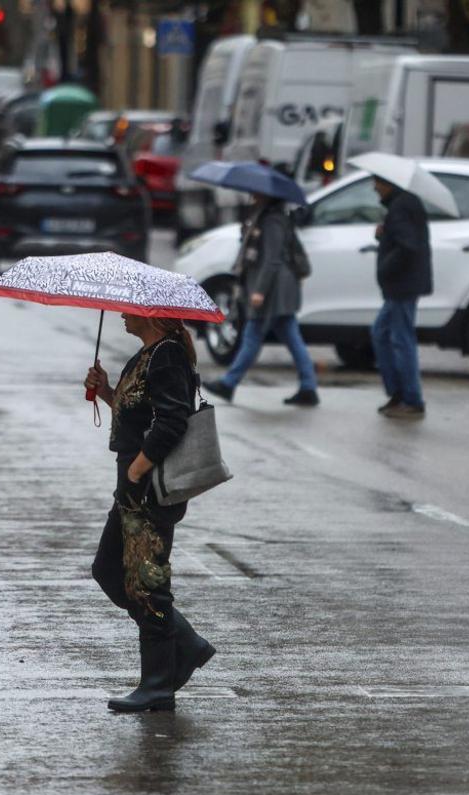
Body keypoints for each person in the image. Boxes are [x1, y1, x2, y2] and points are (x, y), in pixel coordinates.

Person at [84, 316, 215, 712]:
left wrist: (139, 469)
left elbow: (173, 421)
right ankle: (187, 644)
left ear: (151, 316)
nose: (122, 313)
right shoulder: (148, 354)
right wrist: (107, 391)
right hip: (132, 485)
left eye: (130, 309)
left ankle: (158, 685)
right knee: (108, 570)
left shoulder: (168, 356)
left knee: (147, 583)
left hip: (150, 488)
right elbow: (139, 415)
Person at [203, 192, 319, 406]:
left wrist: (259, 291)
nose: (251, 195)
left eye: (255, 193)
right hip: (278, 287)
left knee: (253, 334)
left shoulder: (272, 220)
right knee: (290, 336)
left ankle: (229, 383)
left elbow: (272, 259)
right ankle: (308, 386)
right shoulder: (265, 217)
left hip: (274, 289)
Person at [371, 176, 431, 419]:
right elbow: (404, 239)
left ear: (389, 183)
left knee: (401, 339)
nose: (374, 187)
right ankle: (398, 393)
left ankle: (411, 398)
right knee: (381, 333)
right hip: (403, 285)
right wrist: (384, 235)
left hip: (402, 285)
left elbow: (409, 245)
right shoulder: (403, 204)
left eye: (377, 182)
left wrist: (385, 267)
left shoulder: (400, 207)